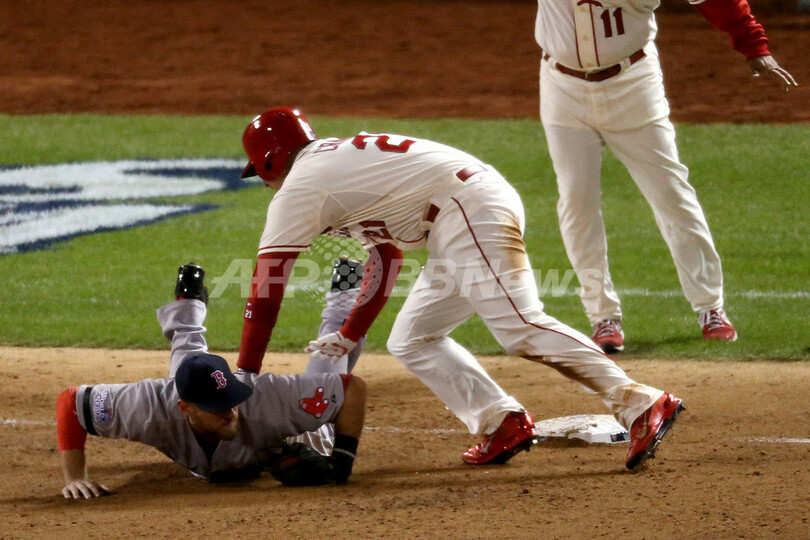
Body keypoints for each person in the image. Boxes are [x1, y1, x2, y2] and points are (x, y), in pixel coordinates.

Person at [236, 107, 684, 471]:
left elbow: (265, 289)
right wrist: (351, 333)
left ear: (272, 160)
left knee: (519, 325)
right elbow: (386, 257)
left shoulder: (301, 187)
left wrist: (246, 376)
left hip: (467, 209)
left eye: (260, 172)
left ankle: (640, 402)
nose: (264, 182)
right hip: (462, 212)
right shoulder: (331, 168)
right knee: (412, 338)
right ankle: (501, 420)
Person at [534, 0, 797, 352]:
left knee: (670, 193)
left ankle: (710, 307)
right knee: (576, 201)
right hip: (562, 87)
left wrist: (754, 45)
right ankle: (602, 316)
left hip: (633, 84)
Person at [57, 263, 367, 499]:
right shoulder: (148, 407)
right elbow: (71, 401)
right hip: (180, 403)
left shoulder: (267, 400)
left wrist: (342, 461)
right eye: (217, 405)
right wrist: (74, 478)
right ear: (185, 407)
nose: (230, 411)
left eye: (230, 399)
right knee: (189, 370)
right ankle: (188, 301)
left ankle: (346, 286)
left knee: (327, 364)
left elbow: (351, 389)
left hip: (285, 431)